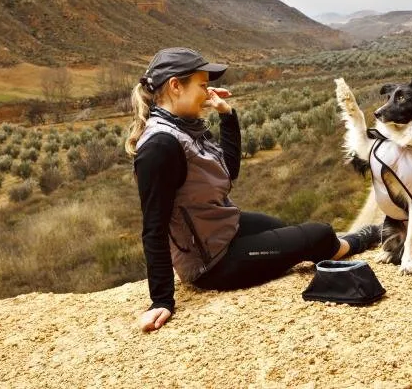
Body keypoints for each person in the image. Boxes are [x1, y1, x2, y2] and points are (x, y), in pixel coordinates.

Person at [125, 47, 380, 332]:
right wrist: (161, 300)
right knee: (318, 233)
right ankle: (361, 239)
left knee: (282, 228)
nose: (208, 92)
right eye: (203, 85)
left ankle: (317, 245)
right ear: (175, 86)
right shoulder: (161, 145)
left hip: (221, 231)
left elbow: (228, 173)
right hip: (211, 263)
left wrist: (227, 115)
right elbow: (153, 227)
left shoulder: (183, 129)